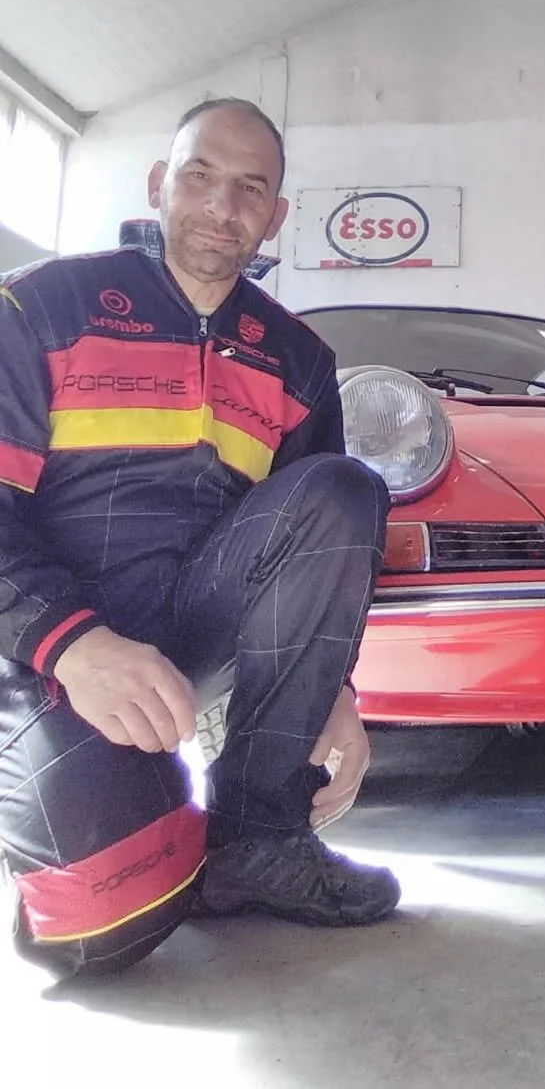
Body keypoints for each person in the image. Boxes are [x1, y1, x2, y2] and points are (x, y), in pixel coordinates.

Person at [0, 98, 398, 979]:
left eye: (251, 188)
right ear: (158, 183)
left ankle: (258, 836)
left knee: (346, 485)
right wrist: (74, 645)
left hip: (193, 631)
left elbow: (317, 542)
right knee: (105, 924)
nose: (223, 206)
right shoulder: (41, 305)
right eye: (201, 175)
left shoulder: (298, 358)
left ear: (276, 215)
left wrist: (336, 689)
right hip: (54, 641)